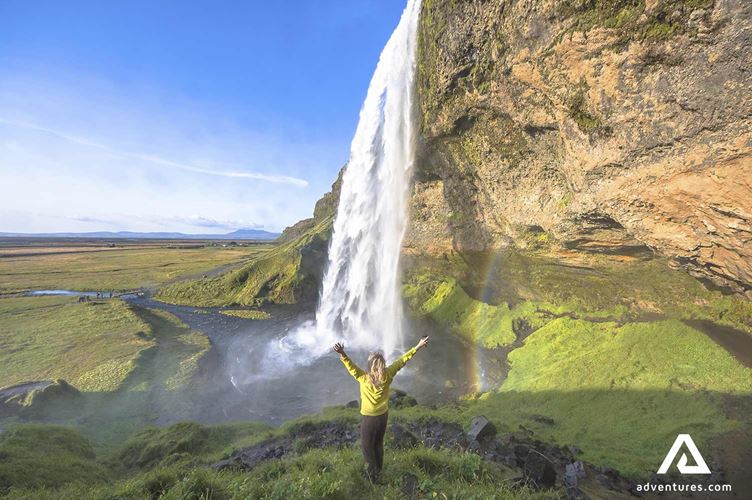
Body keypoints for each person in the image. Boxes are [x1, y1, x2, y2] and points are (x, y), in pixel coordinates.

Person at [333, 336, 430, 483]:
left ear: (370, 366)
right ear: (382, 365)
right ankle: (379, 470)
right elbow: (403, 360)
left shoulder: (363, 378)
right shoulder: (388, 374)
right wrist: (418, 346)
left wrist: (342, 353)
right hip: (383, 416)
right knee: (378, 444)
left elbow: (350, 366)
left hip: (370, 419)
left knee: (367, 448)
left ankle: (374, 479)